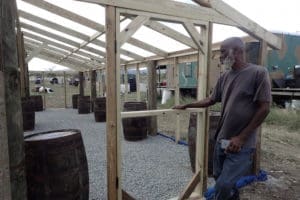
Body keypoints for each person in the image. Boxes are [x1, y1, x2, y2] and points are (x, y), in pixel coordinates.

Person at [173, 37, 271, 200]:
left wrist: (241, 137)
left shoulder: (258, 73)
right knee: (220, 179)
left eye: (223, 51)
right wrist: (186, 105)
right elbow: (211, 99)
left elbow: (265, 108)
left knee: (224, 185)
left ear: (238, 51)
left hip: (241, 144)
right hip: (221, 139)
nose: (220, 56)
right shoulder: (225, 76)